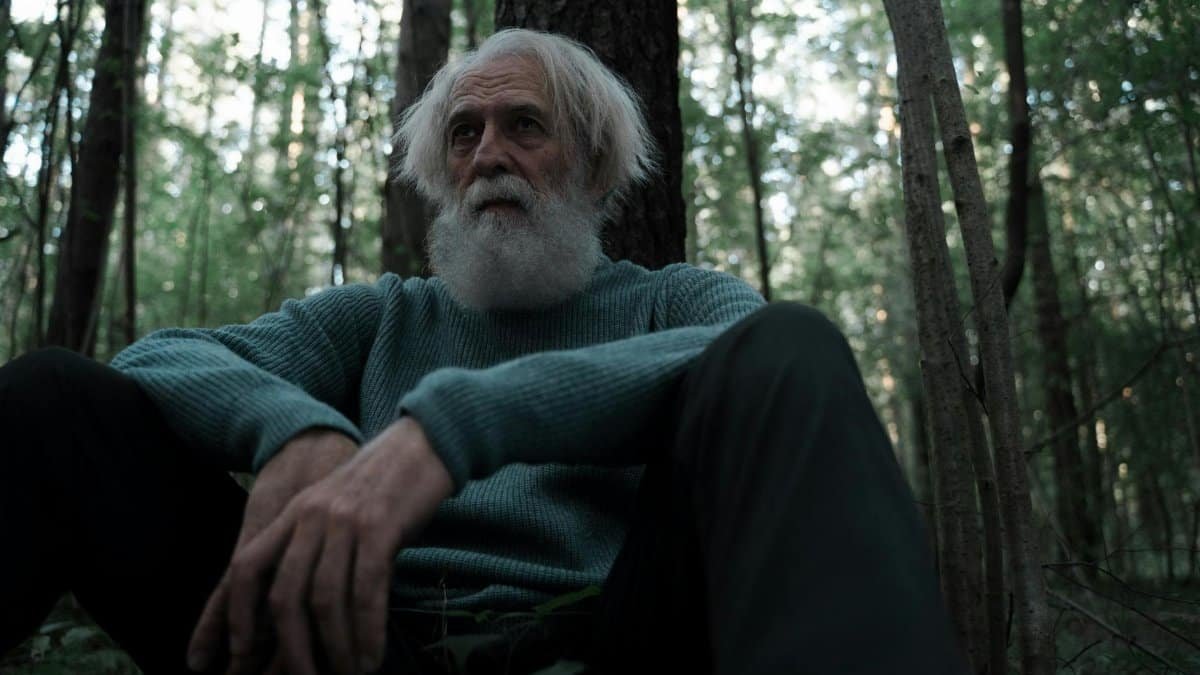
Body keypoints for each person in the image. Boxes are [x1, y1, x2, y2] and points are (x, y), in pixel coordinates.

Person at [0, 28, 964, 675]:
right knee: (53, 397)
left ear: (587, 159)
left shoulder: (676, 299)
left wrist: (453, 426)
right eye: (465, 134)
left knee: (789, 347)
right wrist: (293, 426)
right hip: (353, 642)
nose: (488, 154)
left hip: (612, 639)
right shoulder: (382, 316)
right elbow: (156, 362)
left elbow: (757, 358)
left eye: (524, 127)